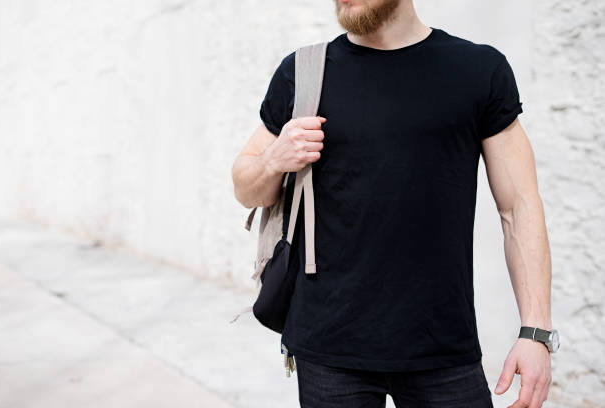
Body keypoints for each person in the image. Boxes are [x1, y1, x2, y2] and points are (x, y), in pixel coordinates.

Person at [231, 0, 555, 407]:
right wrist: (273, 159)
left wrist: (536, 332)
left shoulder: (477, 71)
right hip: (328, 351)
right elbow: (246, 188)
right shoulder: (302, 72)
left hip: (442, 348)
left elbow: (519, 208)